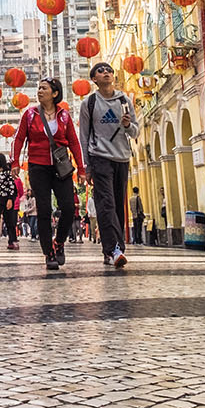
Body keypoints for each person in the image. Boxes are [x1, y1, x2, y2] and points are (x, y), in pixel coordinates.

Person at [12, 78, 84, 272]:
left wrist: (82, 168)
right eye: (39, 88)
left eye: (44, 88)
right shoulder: (30, 114)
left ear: (54, 93)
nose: (39, 91)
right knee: (43, 210)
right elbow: (18, 138)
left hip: (61, 168)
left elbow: (74, 143)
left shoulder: (64, 116)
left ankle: (59, 242)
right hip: (38, 167)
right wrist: (15, 162)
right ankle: (48, 253)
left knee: (69, 208)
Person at [79, 61, 138, 269]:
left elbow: (136, 132)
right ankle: (114, 249)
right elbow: (84, 136)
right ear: (94, 79)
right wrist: (86, 165)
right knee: (107, 204)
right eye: (101, 71)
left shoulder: (124, 100)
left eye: (109, 71)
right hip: (99, 157)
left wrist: (128, 124)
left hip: (121, 157)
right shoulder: (89, 103)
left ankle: (114, 249)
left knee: (118, 206)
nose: (106, 73)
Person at [0, 151, 20, 250]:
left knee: (9, 220)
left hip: (7, 198)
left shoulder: (8, 172)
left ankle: (13, 241)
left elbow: (12, 187)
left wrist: (10, 199)